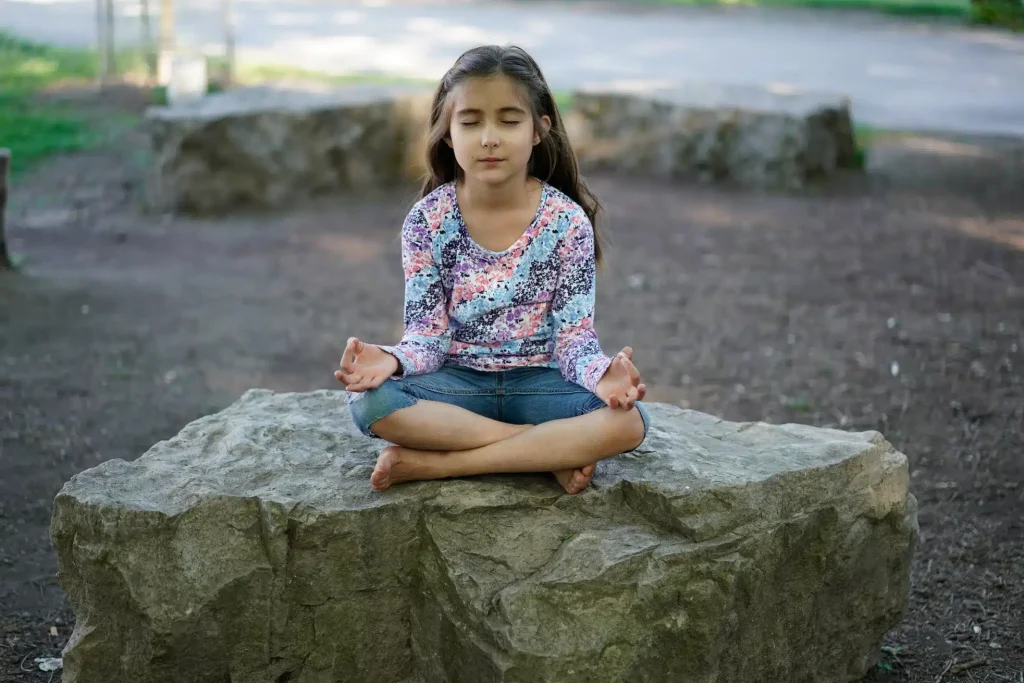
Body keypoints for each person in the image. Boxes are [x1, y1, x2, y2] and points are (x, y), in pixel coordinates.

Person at [335, 44, 650, 494]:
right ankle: (544, 453)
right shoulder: (427, 221)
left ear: (540, 130)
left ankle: (437, 465)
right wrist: (393, 358)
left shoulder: (566, 222)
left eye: (508, 120)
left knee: (628, 423)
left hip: (540, 385)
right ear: (447, 133)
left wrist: (603, 375)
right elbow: (426, 336)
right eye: (470, 122)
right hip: (457, 388)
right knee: (371, 402)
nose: (489, 137)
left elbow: (574, 339)